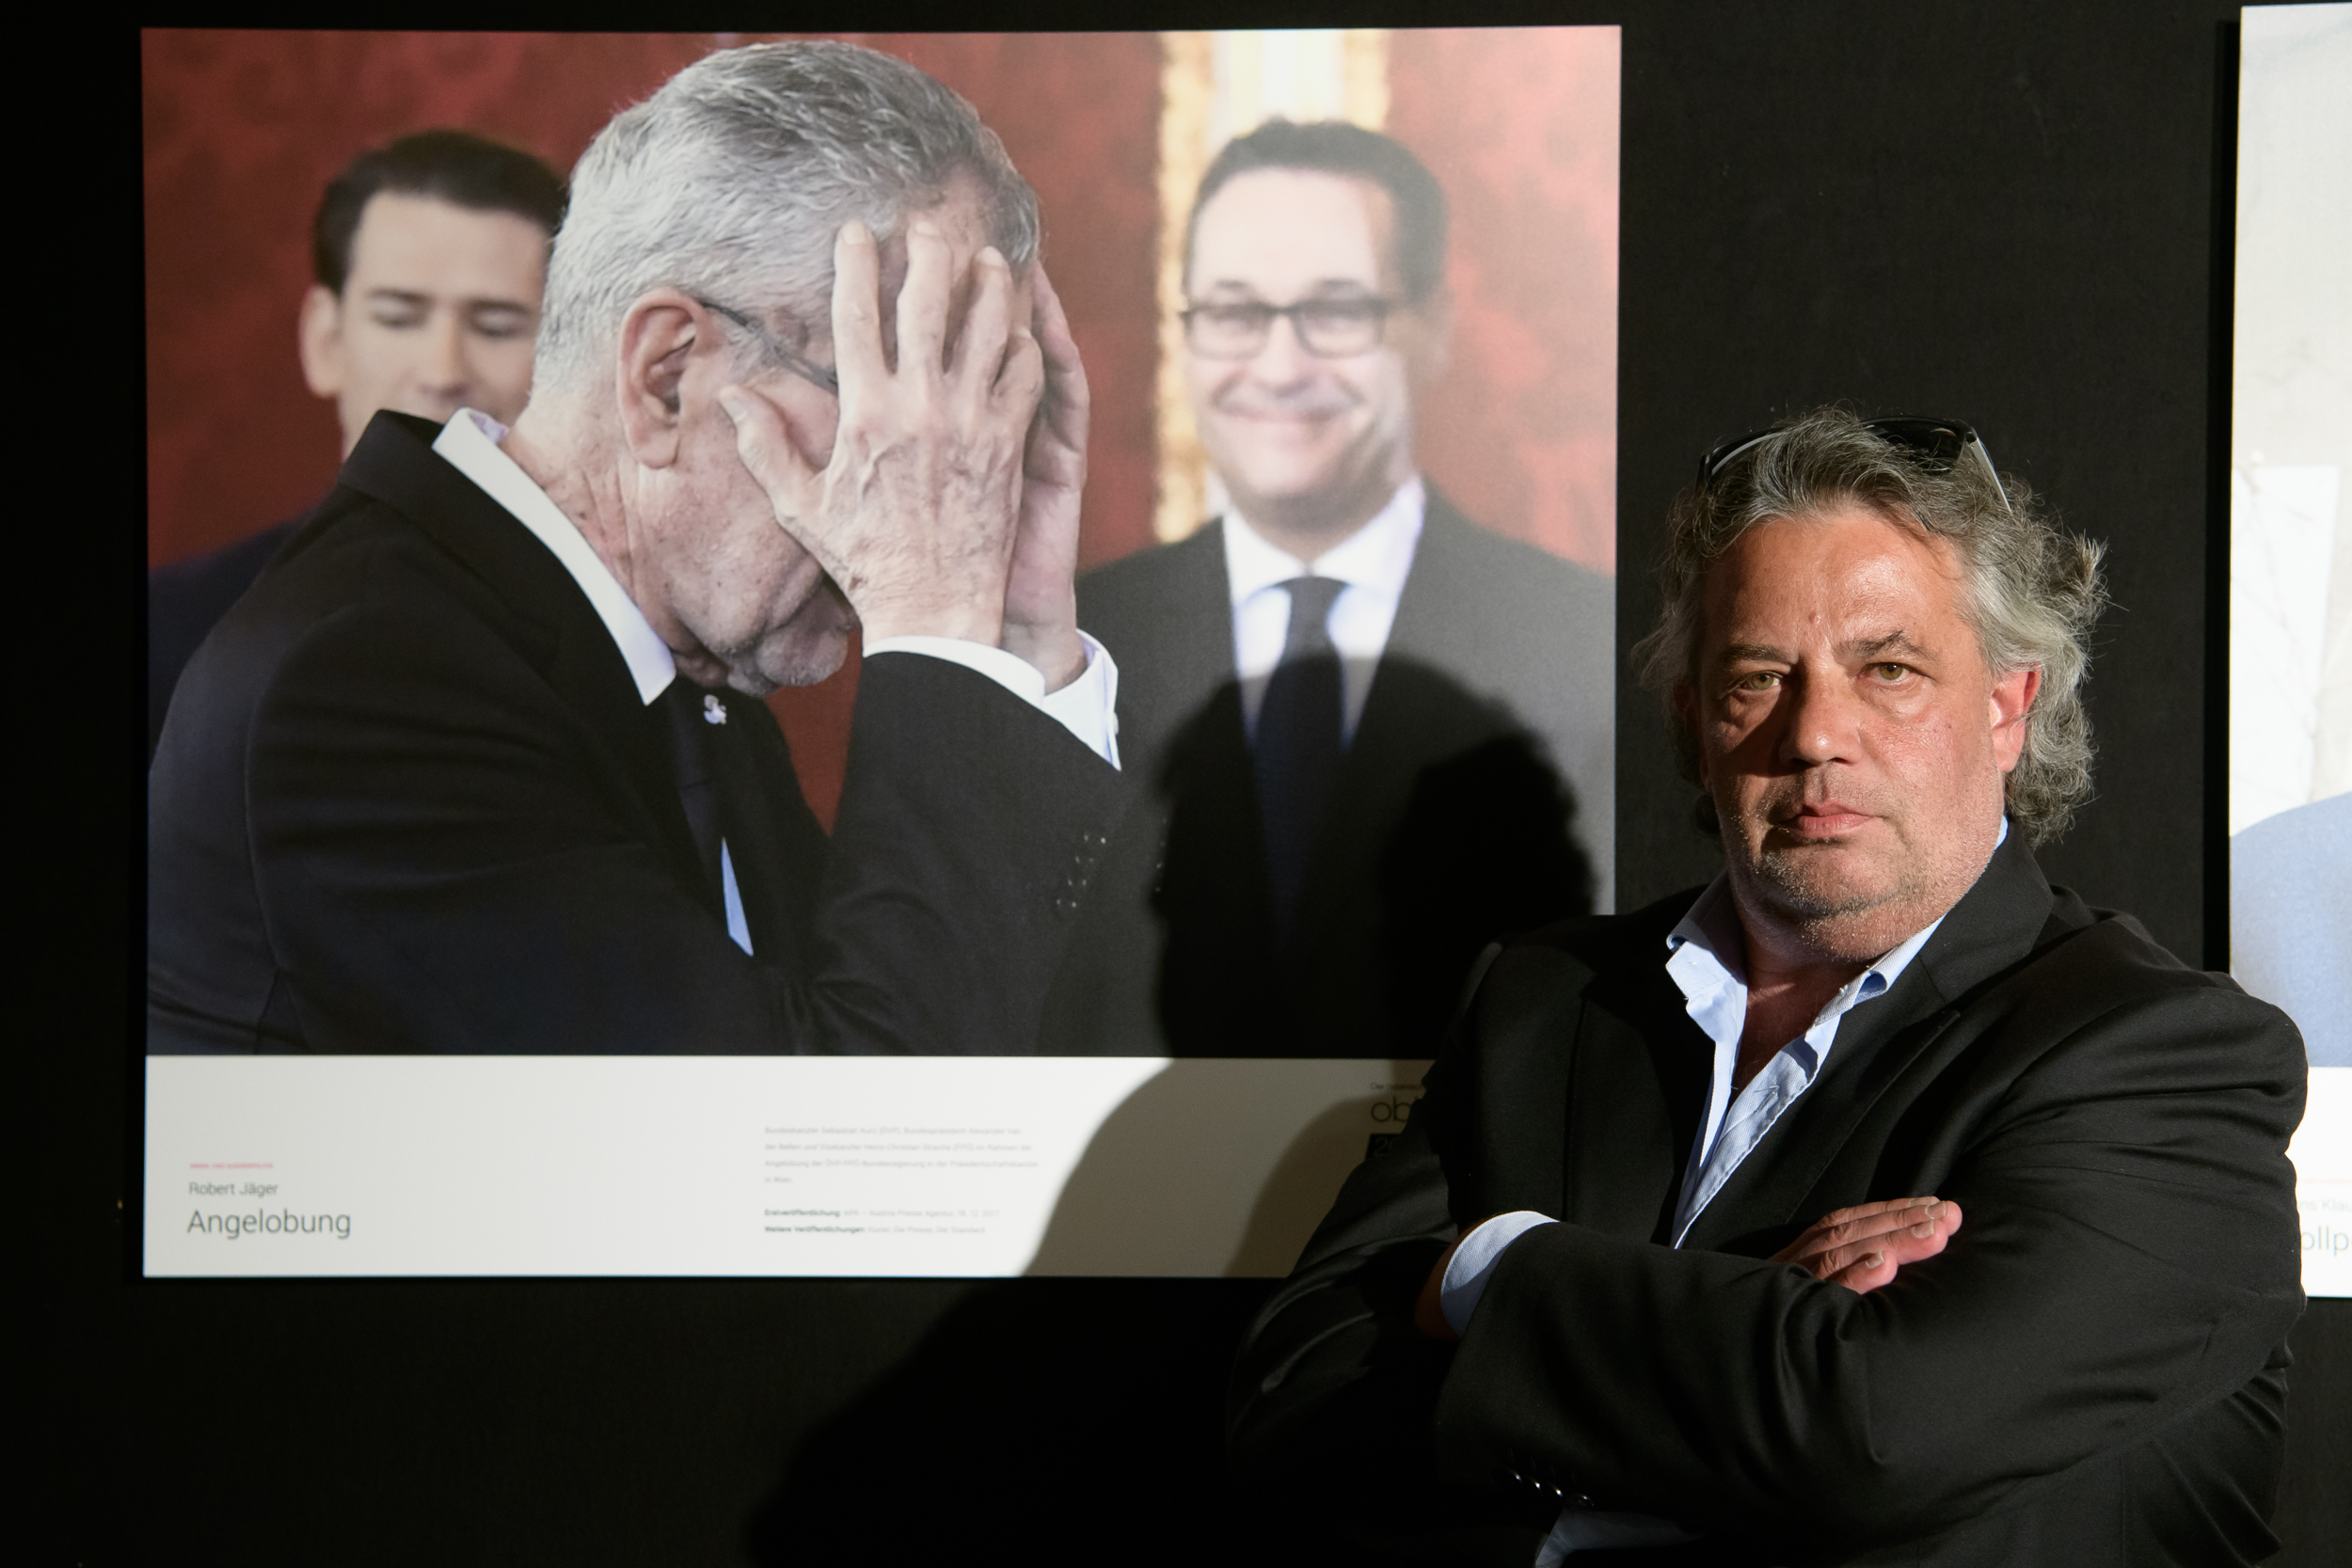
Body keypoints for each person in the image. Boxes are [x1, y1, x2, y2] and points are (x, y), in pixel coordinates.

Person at [1227, 408, 2307, 1564]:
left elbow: (1869, 1433)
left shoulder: (2165, 1059)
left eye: (1887, 668)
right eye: (1758, 676)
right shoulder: (1540, 1000)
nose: (1815, 733)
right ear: (1694, 723)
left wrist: (1488, 1267)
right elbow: (1296, 1394)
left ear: (2006, 706)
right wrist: (1755, 1323)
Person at [148, 41, 1123, 1055]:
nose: (943, 479)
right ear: (667, 376)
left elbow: (1007, 1063)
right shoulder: (373, 685)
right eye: (896, 402)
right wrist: (936, 625)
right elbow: (843, 1135)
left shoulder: (670, 648)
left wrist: (1015, 634)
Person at [1046, 120, 1613, 1058]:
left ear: (1432, 327)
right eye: (1234, 312)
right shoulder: (1073, 641)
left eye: (1336, 311)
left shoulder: (1579, 635)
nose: (1280, 367)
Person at [148, 129, 566, 755]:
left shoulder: (637, 644)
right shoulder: (171, 632)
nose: (443, 370)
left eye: (497, 326)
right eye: (397, 318)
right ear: (325, 341)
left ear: (568, 354)